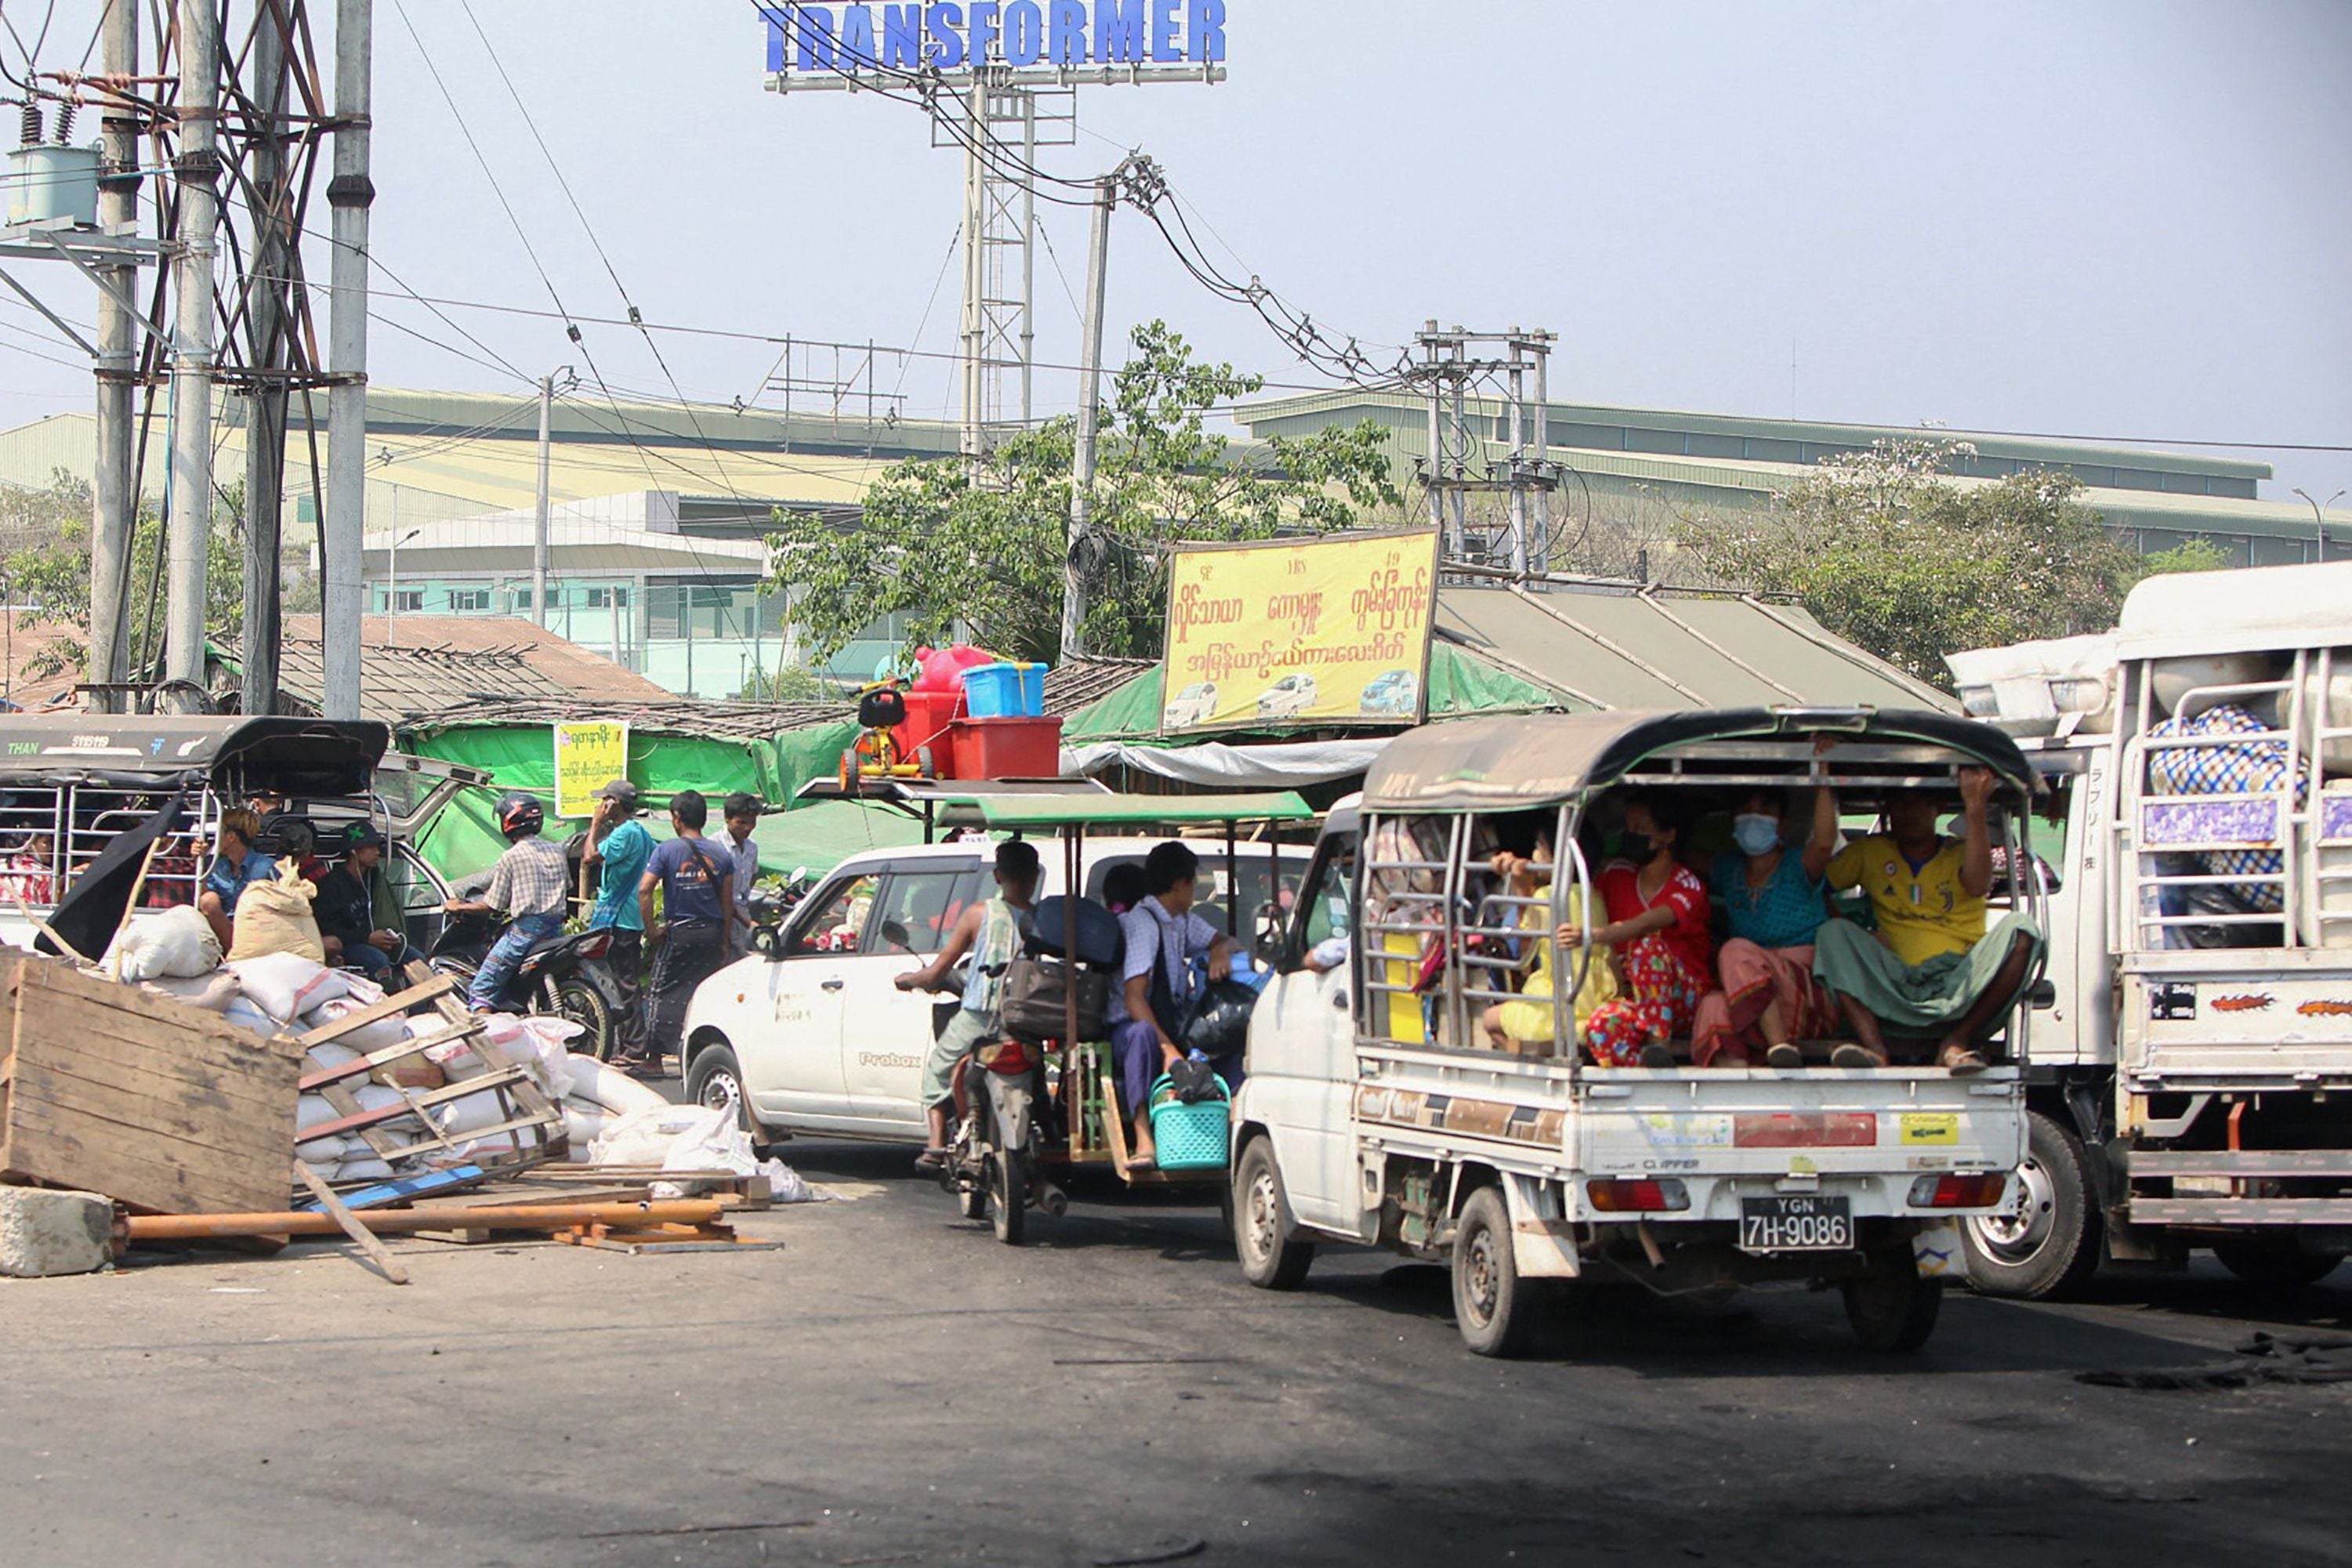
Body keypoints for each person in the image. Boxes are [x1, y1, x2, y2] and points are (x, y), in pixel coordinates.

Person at [1810, 765, 2045, 1072]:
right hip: (1894, 978)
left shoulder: (1960, 851)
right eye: (1899, 803)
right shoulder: (1869, 851)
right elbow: (1812, 887)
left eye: (1918, 802)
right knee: (1833, 933)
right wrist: (1858, 928)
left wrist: (1975, 809)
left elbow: (1977, 884)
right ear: (1888, 809)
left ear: (1940, 808)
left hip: (1958, 978)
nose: (1907, 812)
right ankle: (1874, 1048)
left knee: (2023, 929)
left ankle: (1956, 1041)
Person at [893, 840, 1042, 1170]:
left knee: (937, 1071)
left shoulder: (979, 914)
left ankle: (934, 1145)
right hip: (1025, 1020)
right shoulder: (1041, 918)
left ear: (998, 876)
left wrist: (911, 979)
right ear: (1034, 877)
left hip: (980, 1016)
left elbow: (937, 973)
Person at [1106, 842, 1237, 1170]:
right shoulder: (1141, 924)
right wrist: (1168, 1051)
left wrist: (1220, 950)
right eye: (1193, 883)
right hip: (1131, 1026)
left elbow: (1223, 940)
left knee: (1229, 1033)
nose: (1194, 890)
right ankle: (1143, 1137)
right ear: (1180, 884)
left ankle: (1230, 1124)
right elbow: (1135, 997)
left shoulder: (1182, 921)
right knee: (1141, 1037)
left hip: (1174, 1018)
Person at [1560, 793, 1712, 1069]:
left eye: (1641, 829)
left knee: (1646, 947)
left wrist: (1592, 935)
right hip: (1635, 1000)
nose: (1632, 836)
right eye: (1629, 829)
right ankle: (1645, 1078)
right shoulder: (1616, 875)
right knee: (1601, 1025)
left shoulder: (1689, 886)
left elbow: (1645, 924)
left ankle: (1659, 1044)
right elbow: (1583, 899)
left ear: (1668, 836)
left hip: (1685, 1001)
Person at [1693, 789, 1837, 1068]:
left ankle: (1780, 1048)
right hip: (1753, 996)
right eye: (1746, 811)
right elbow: (1685, 856)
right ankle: (1737, 1079)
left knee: (1735, 950)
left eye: (1765, 811)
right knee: (1713, 1003)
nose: (1754, 818)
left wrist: (1822, 779)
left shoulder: (1799, 863)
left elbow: (1823, 843)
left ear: (1782, 824)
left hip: (1805, 995)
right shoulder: (1729, 869)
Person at [1479, 831, 1618, 1055]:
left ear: (1557, 859)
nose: (1533, 855)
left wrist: (1521, 887)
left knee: (1489, 1020)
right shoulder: (1593, 894)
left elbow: (1525, 951)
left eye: (1539, 847)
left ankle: (1527, 1058)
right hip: (1594, 992)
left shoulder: (1548, 897)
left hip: (1560, 993)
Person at [444, 793, 569, 1012]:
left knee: (482, 988)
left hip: (525, 932)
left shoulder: (511, 857)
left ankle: (485, 1039)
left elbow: (493, 905)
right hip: (556, 930)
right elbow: (565, 886)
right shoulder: (557, 851)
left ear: (509, 821)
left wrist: (459, 906)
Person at [640, 789, 734, 1072]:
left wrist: (652, 930)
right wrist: (725, 941)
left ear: (677, 817)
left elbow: (645, 890)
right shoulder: (722, 854)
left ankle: (654, 1060)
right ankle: (701, 1058)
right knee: (704, 993)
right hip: (712, 932)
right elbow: (726, 904)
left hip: (679, 932)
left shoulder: (666, 850)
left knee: (659, 990)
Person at [582, 780, 655, 1071]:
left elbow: (589, 856)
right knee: (623, 982)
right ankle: (630, 1046)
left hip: (620, 918)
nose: (601, 807)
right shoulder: (639, 832)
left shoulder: (624, 833)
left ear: (613, 804)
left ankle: (634, 1048)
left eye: (605, 802)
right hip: (629, 917)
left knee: (623, 983)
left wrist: (595, 823)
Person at [313, 823, 417, 978]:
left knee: (416, 960)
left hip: (378, 940)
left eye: (377, 847)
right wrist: (366, 938)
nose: (377, 852)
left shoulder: (375, 879)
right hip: (347, 945)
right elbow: (327, 930)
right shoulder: (331, 885)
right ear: (355, 851)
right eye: (371, 847)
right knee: (378, 962)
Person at [198, 808, 277, 949]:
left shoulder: (266, 867)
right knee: (208, 900)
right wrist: (200, 861)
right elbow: (203, 899)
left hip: (257, 931)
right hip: (223, 931)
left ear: (231, 837)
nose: (215, 839)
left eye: (219, 834)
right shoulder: (217, 866)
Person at [719, 791, 763, 955]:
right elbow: (720, 894)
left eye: (752, 822)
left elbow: (752, 876)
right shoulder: (716, 846)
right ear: (727, 819)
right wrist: (748, 922)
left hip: (742, 913)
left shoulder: (752, 848)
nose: (748, 828)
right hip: (720, 917)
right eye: (741, 822)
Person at [2, 831, 56, 907]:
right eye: (46, 843)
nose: (50, 848)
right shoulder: (43, 874)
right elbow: (47, 907)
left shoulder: (2, 865)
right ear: (30, 846)